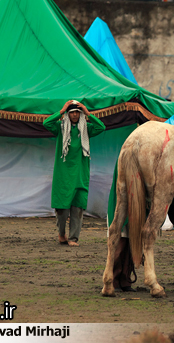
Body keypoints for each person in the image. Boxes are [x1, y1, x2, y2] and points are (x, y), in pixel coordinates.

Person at [43, 100, 105, 247]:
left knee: (77, 209)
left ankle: (73, 238)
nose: (75, 115)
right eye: (72, 112)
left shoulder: (87, 129)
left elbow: (101, 127)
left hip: (80, 175)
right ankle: (62, 234)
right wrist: (61, 110)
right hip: (63, 175)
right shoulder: (60, 127)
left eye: (77, 112)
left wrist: (88, 112)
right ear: (68, 114)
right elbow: (46, 123)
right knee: (62, 209)